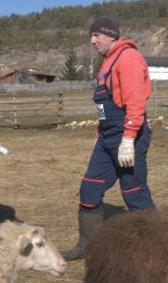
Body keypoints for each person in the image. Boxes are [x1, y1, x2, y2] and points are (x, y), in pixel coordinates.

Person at [61, 16, 156, 260]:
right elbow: (107, 106)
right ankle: (87, 246)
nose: (92, 41)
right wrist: (99, 134)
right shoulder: (107, 63)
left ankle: (157, 250)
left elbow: (136, 101)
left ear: (112, 35)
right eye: (91, 36)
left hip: (129, 137)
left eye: (97, 35)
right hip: (107, 138)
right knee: (89, 189)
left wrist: (128, 139)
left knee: (134, 193)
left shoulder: (129, 59)